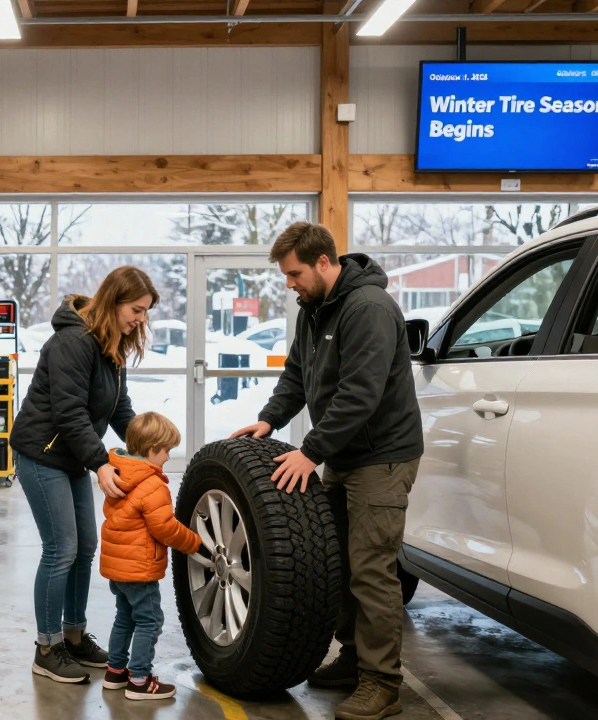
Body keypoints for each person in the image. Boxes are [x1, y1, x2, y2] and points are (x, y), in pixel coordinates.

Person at [233, 221, 423, 720]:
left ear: (323, 262)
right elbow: (297, 372)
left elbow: (361, 393)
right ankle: (355, 659)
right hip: (345, 453)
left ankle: (383, 683)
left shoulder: (369, 309)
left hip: (382, 456)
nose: (288, 283)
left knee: (371, 568)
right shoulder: (313, 311)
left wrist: (310, 451)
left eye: (294, 273)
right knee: (338, 562)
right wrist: (271, 419)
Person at [11, 265, 159, 684]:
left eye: (145, 311)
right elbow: (70, 412)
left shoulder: (110, 344)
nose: (140, 319)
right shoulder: (71, 342)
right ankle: (47, 646)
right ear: (112, 300)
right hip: (42, 454)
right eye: (136, 309)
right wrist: (100, 463)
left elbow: (118, 408)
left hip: (71, 455)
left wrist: (145, 448)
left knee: (85, 546)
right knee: (61, 549)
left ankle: (73, 635)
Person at [99, 412, 201, 701]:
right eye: (167, 450)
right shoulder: (153, 485)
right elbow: (165, 528)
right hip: (140, 569)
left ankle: (115, 672)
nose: (169, 457)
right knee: (149, 621)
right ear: (151, 448)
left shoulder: (120, 473)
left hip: (118, 566)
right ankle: (140, 680)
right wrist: (194, 542)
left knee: (124, 617)